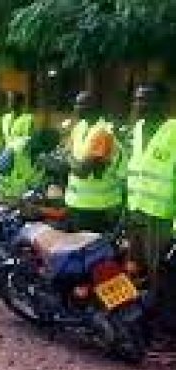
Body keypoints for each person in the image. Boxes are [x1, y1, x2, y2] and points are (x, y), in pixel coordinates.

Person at [125, 85, 175, 327]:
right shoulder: (139, 129)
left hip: (162, 216)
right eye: (136, 99)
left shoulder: (173, 131)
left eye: (145, 100)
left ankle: (164, 326)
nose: (138, 104)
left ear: (161, 104)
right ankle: (141, 318)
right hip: (137, 211)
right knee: (136, 268)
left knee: (161, 274)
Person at [63, 91, 123, 233]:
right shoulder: (79, 128)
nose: (77, 107)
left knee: (94, 251)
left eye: (82, 104)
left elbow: (83, 171)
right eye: (76, 103)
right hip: (76, 202)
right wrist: (68, 157)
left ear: (96, 107)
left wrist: (67, 157)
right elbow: (68, 153)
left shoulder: (103, 133)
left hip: (98, 206)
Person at [0, 91, 40, 200]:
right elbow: (1, 140)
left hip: (20, 161)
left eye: (12, 100)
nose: (9, 103)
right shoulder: (5, 118)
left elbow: (31, 142)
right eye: (9, 100)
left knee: (18, 193)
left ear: (20, 103)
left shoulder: (29, 119)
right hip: (5, 160)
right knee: (2, 191)